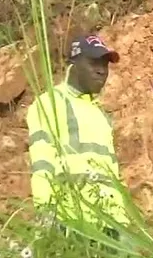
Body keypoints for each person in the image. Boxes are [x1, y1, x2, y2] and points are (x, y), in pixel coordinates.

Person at [25, 34, 129, 238]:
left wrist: (122, 224)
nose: (102, 71)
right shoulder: (50, 103)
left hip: (112, 227)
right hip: (72, 222)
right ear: (73, 64)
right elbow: (42, 163)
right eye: (93, 63)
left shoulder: (100, 114)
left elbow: (112, 174)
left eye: (105, 65)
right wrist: (46, 213)